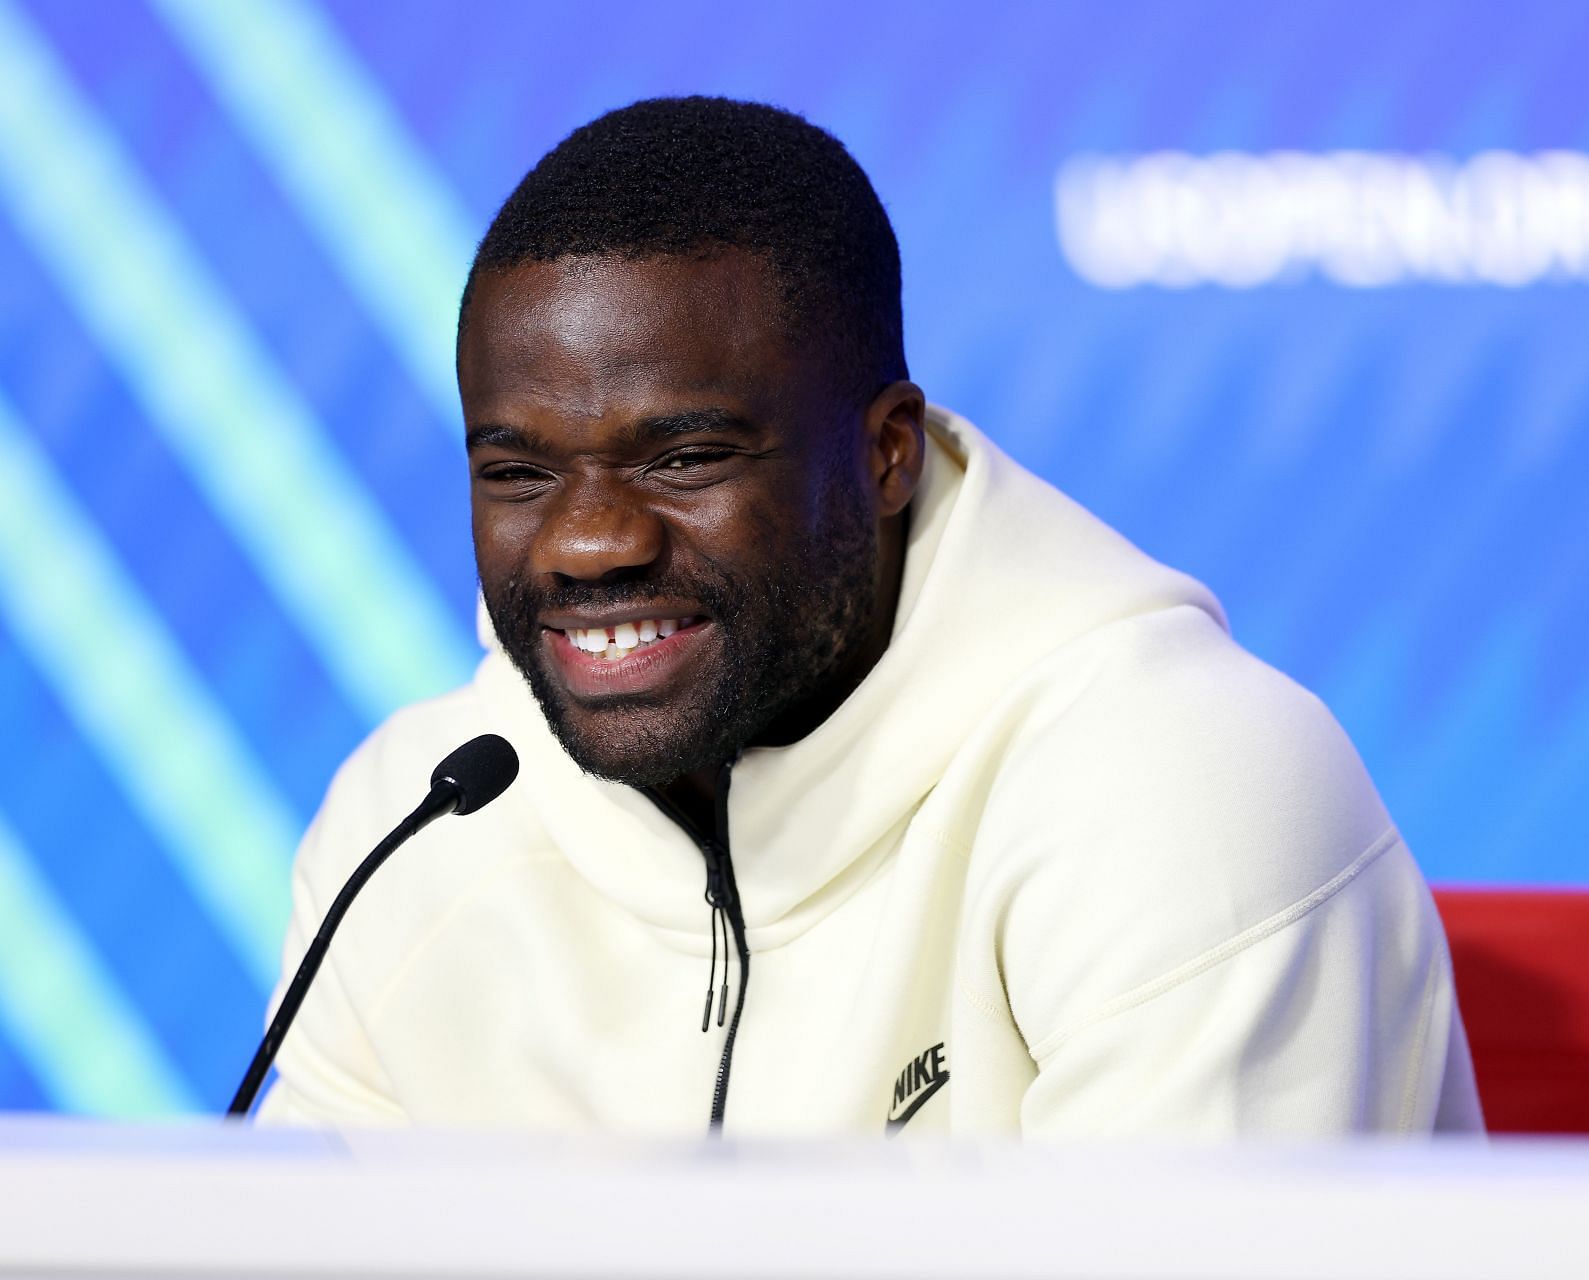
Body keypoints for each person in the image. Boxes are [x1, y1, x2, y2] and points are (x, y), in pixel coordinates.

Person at [258, 95, 1482, 1137]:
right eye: (518, 472)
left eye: (684, 457)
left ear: (888, 451)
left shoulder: (1178, 785)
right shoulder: (408, 830)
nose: (589, 541)